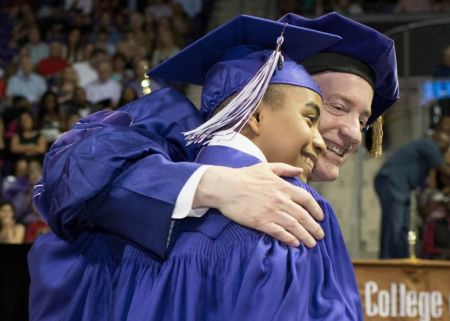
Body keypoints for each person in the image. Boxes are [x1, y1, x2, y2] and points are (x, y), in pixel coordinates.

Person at [29, 15, 364, 320]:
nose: (344, 135)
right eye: (316, 115)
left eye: (365, 121)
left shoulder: (120, 223)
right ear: (254, 113)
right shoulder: (289, 210)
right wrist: (208, 185)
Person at [375, 119, 450, 259]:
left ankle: (401, 261)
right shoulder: (429, 145)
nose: (445, 141)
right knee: (394, 225)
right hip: (392, 181)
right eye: (444, 134)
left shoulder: (429, 153)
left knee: (402, 226)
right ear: (436, 134)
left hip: (401, 187)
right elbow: (445, 172)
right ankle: (388, 264)